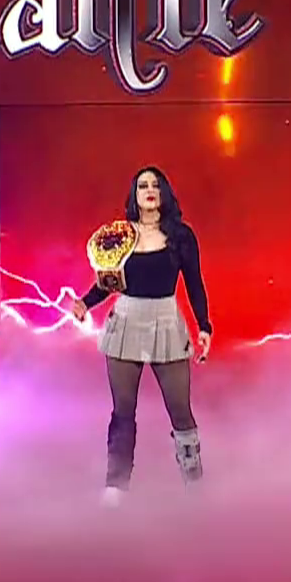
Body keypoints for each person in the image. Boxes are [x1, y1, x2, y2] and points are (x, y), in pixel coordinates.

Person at [70, 167, 213, 505]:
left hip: (166, 322)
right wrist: (85, 303)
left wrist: (204, 326)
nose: (149, 190)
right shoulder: (121, 235)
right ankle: (115, 489)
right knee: (123, 412)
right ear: (134, 195)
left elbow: (194, 283)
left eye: (155, 185)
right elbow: (107, 283)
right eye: (142, 186)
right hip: (126, 323)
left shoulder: (182, 236)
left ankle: (195, 488)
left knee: (181, 412)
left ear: (164, 192)